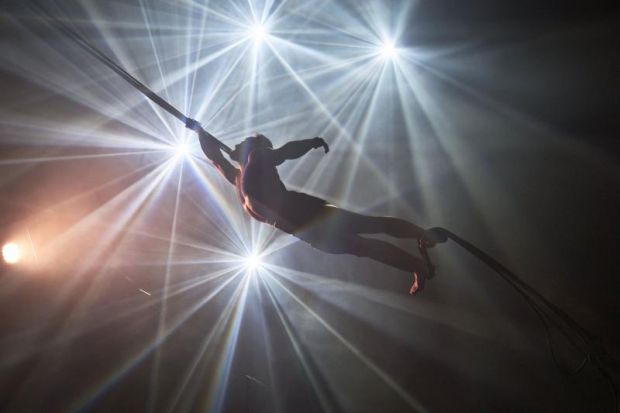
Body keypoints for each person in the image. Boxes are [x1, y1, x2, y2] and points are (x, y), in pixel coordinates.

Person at [185, 119, 445, 293]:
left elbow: (284, 152)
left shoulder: (258, 155)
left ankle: (423, 235)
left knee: (368, 226)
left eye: (242, 142)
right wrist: (199, 131)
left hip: (303, 211)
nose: (236, 144)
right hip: (299, 228)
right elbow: (215, 157)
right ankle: (417, 266)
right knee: (363, 247)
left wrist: (310, 143)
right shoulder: (237, 178)